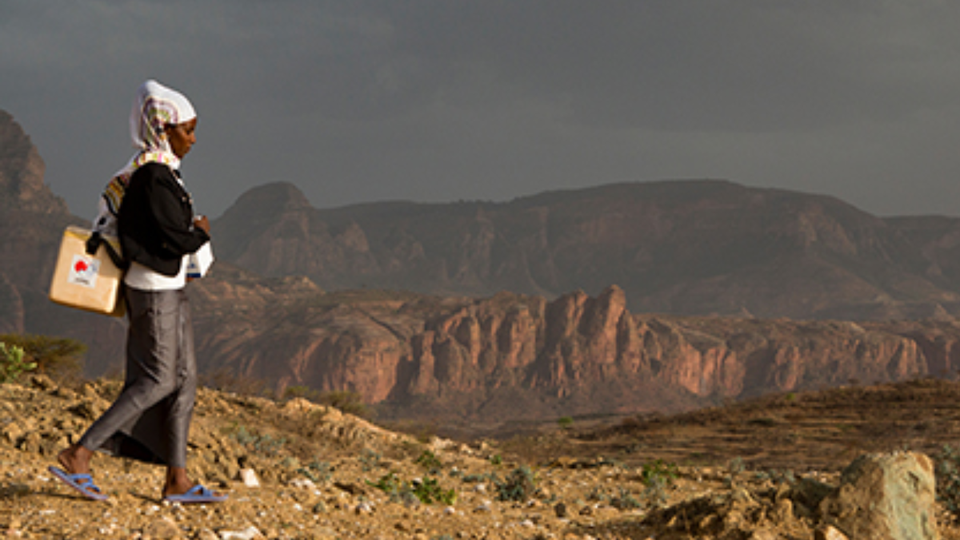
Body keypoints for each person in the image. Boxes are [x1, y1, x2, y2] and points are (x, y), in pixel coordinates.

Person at [49, 80, 225, 504]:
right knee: (158, 379)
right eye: (187, 129)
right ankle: (79, 453)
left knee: (184, 381)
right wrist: (198, 233)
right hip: (152, 291)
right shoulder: (151, 176)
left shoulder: (159, 172)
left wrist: (189, 235)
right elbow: (167, 235)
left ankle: (176, 480)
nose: (193, 138)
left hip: (169, 285)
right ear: (163, 129)